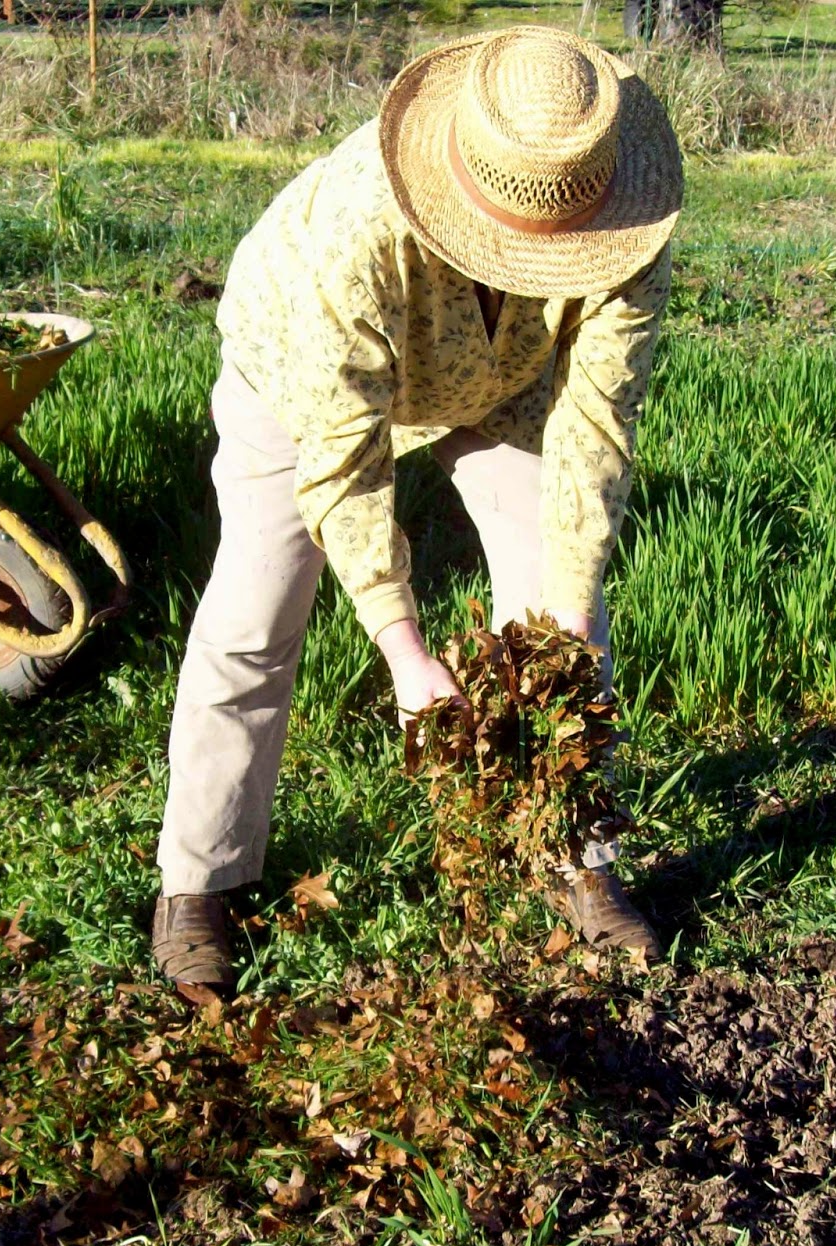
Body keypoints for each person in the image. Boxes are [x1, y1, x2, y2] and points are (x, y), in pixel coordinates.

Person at [152, 24, 682, 994]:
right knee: (256, 609)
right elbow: (342, 466)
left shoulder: (621, 214)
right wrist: (405, 654)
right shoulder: (346, 241)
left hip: (499, 382)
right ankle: (200, 882)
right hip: (302, 376)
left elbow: (595, 427)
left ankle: (572, 857)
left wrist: (561, 621)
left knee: (567, 616)